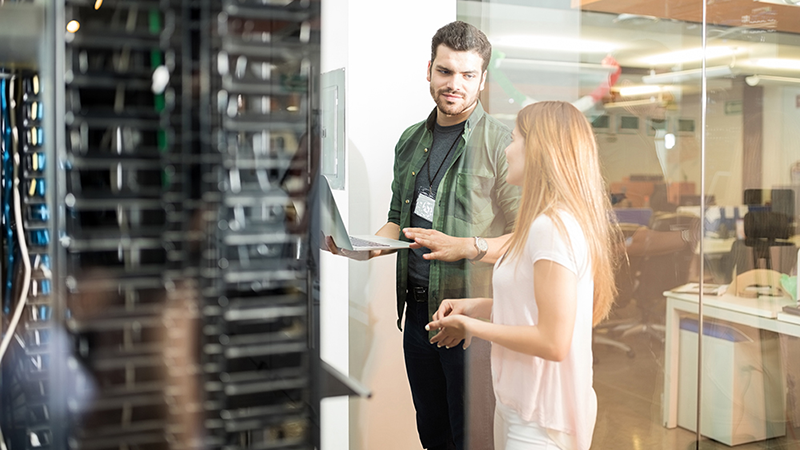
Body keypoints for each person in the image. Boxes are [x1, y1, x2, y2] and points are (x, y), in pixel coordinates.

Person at [326, 21, 520, 450]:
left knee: (472, 439)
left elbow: (525, 240)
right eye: (446, 71)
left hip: (471, 322)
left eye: (468, 75)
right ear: (429, 69)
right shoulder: (410, 141)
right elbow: (397, 219)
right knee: (432, 435)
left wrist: (467, 247)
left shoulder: (503, 145)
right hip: (417, 316)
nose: (455, 84)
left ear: (483, 80)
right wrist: (362, 247)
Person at [425, 101, 621, 450]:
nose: (507, 149)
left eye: (514, 139)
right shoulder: (543, 223)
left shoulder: (552, 228)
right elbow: (533, 306)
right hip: (520, 406)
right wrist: (478, 306)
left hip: (541, 420)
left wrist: (470, 328)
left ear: (538, 150)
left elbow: (553, 342)